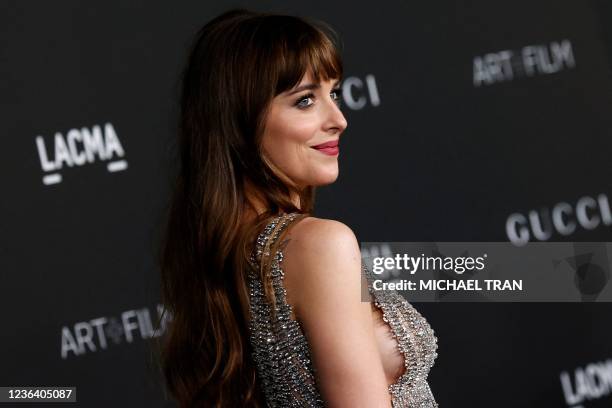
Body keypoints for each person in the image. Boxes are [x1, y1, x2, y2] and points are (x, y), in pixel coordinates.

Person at [159, 8, 438, 407]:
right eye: (305, 100)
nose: (338, 119)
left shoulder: (230, 252)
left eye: (334, 93)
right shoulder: (320, 244)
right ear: (241, 121)